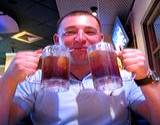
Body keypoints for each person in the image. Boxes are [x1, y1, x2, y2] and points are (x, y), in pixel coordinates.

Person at [0, 10, 160, 125]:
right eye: (70, 32)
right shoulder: (35, 80)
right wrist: (8, 80)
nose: (80, 39)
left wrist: (145, 76)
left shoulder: (123, 78)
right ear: (57, 40)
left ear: (100, 39)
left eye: (90, 32)